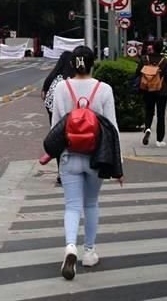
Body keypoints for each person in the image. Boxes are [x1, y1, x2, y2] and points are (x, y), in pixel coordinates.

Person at [50, 45, 121, 280]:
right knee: (91, 204)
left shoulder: (61, 87)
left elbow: (56, 128)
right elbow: (112, 129)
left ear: (72, 64)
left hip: (69, 157)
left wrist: (56, 158)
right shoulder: (104, 89)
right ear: (93, 64)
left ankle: (70, 246)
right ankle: (89, 252)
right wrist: (118, 165)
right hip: (96, 158)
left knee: (71, 206)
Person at [42, 51, 75, 185]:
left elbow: (45, 97)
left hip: (55, 117)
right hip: (73, 118)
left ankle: (61, 173)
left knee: (59, 143)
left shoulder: (53, 78)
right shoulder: (73, 79)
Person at [135, 42, 167, 147]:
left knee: (149, 111)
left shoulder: (144, 59)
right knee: (161, 115)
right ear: (161, 49)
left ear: (152, 48)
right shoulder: (164, 61)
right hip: (161, 90)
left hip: (147, 89)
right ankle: (159, 140)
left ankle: (147, 128)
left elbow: (137, 73)